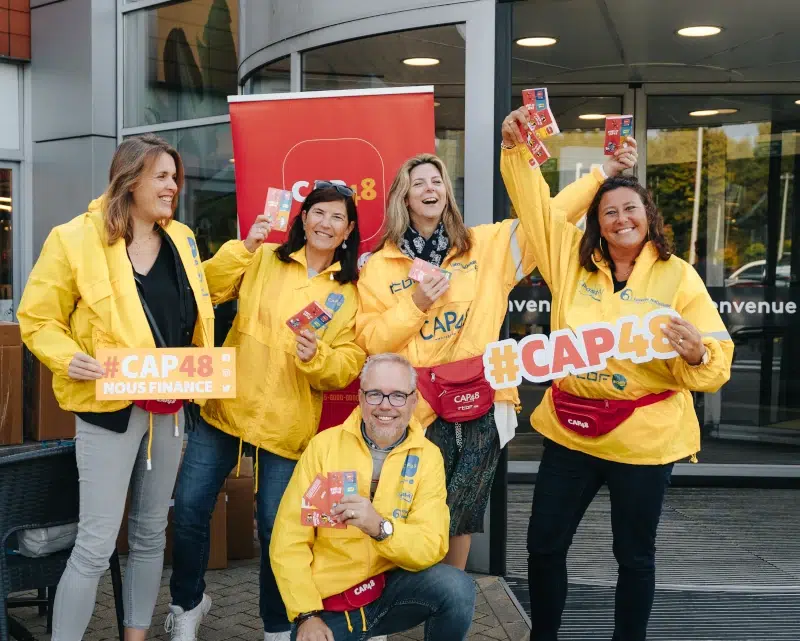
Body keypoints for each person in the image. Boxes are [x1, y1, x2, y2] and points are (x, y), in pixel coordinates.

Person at [499, 107, 734, 641]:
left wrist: (697, 353)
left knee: (634, 555)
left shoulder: (680, 277)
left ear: (648, 215)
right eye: (609, 212)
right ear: (597, 222)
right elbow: (535, 207)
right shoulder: (570, 263)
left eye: (631, 208)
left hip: (643, 441)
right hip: (570, 432)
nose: (620, 219)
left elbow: (717, 360)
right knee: (543, 544)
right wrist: (516, 149)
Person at [355, 147, 636, 569]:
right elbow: (373, 342)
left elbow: (548, 214)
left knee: (463, 512)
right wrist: (414, 304)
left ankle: (447, 607)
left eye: (437, 181)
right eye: (419, 184)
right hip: (417, 408)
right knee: (407, 506)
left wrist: (601, 176)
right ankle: (399, 603)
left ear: (447, 194)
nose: (430, 189)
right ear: (404, 198)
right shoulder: (380, 267)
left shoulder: (486, 245)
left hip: (480, 402)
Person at [17, 134, 214, 641]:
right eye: (163, 177)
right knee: (96, 542)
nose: (173, 186)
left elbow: (195, 306)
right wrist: (68, 359)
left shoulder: (183, 239)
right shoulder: (73, 239)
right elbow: (37, 319)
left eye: (175, 177)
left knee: (150, 536)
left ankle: (137, 636)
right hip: (108, 411)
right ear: (130, 180)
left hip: (169, 411)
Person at [166, 183, 366, 641]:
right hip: (224, 409)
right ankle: (187, 605)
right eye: (317, 212)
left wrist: (316, 356)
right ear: (302, 218)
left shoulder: (349, 293)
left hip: (286, 426)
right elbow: (207, 292)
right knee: (192, 510)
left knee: (279, 531)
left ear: (349, 229)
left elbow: (347, 365)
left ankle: (277, 627)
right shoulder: (264, 257)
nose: (325, 223)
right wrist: (246, 245)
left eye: (337, 217)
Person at [270, 353, 476, 641]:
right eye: (375, 394)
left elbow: (432, 544)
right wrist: (306, 614)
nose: (385, 406)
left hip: (392, 588)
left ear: (414, 400)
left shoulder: (428, 457)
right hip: (333, 600)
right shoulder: (324, 447)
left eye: (398, 396)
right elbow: (288, 541)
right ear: (360, 397)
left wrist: (380, 528)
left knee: (456, 588)